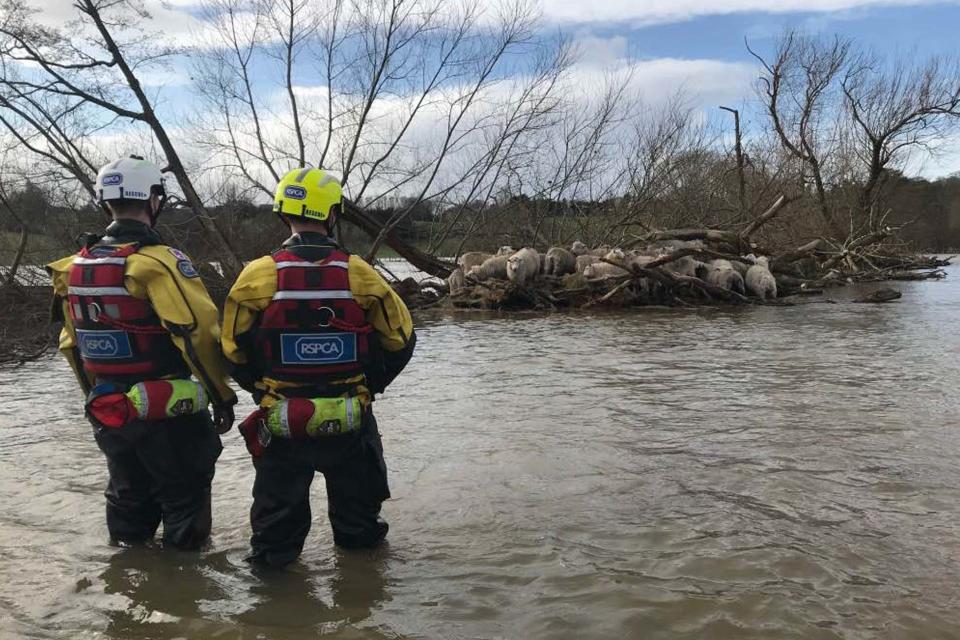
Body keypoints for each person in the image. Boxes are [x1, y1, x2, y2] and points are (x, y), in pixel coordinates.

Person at [221, 166, 415, 568]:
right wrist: (371, 385)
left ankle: (274, 613)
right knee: (360, 534)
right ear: (332, 215)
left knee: (273, 544)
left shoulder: (258, 274)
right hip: (350, 421)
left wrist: (261, 391)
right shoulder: (359, 272)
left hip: (282, 422)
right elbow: (401, 340)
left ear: (282, 213)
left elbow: (231, 350)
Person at [46, 155, 237, 550]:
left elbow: (71, 344)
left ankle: (128, 588)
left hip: (112, 409)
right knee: (185, 503)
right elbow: (196, 334)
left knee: (127, 500)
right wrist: (222, 396)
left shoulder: (73, 268)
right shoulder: (158, 263)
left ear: (105, 201)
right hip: (169, 414)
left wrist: (96, 404)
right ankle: (185, 590)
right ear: (154, 199)